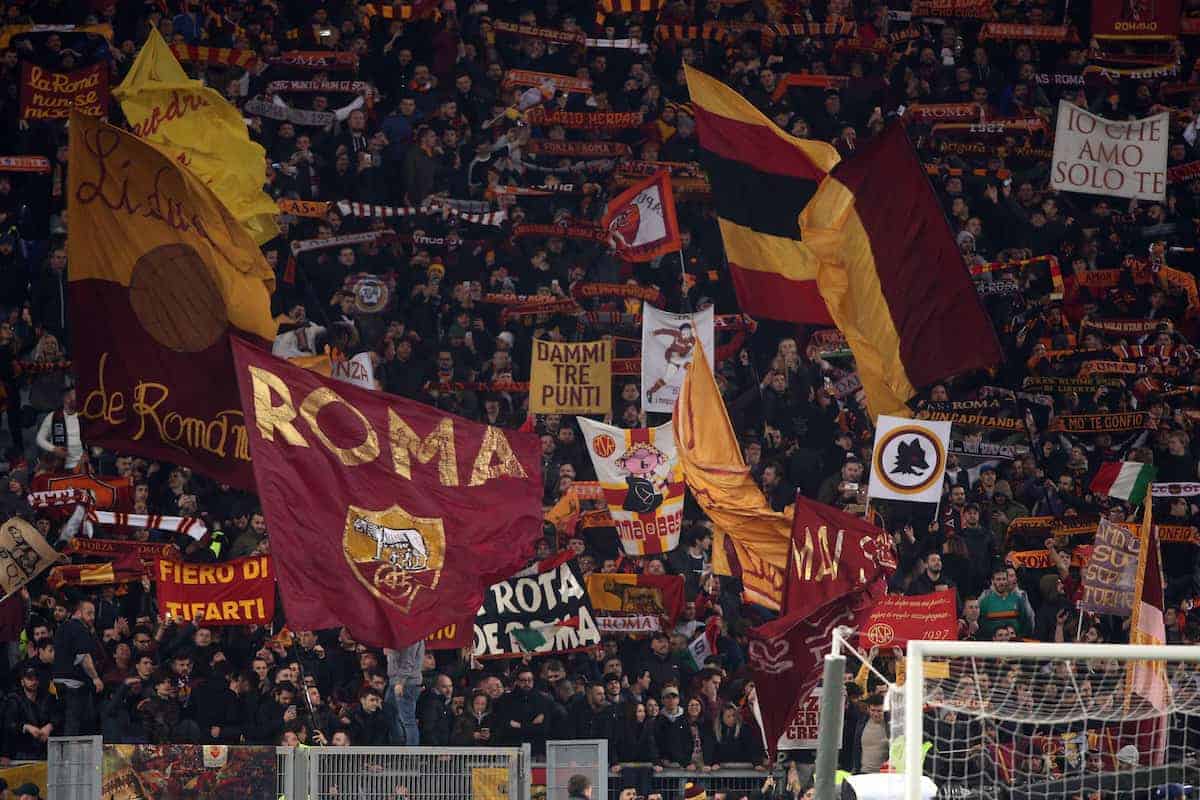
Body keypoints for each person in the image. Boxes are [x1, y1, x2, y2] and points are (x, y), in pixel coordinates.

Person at [52, 599, 103, 735]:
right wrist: (96, 678)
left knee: (62, 724)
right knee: (74, 726)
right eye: (89, 613)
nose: (92, 617)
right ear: (79, 613)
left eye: (94, 614)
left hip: (57, 682)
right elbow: (83, 657)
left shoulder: (62, 627)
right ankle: (71, 756)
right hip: (73, 685)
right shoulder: (79, 628)